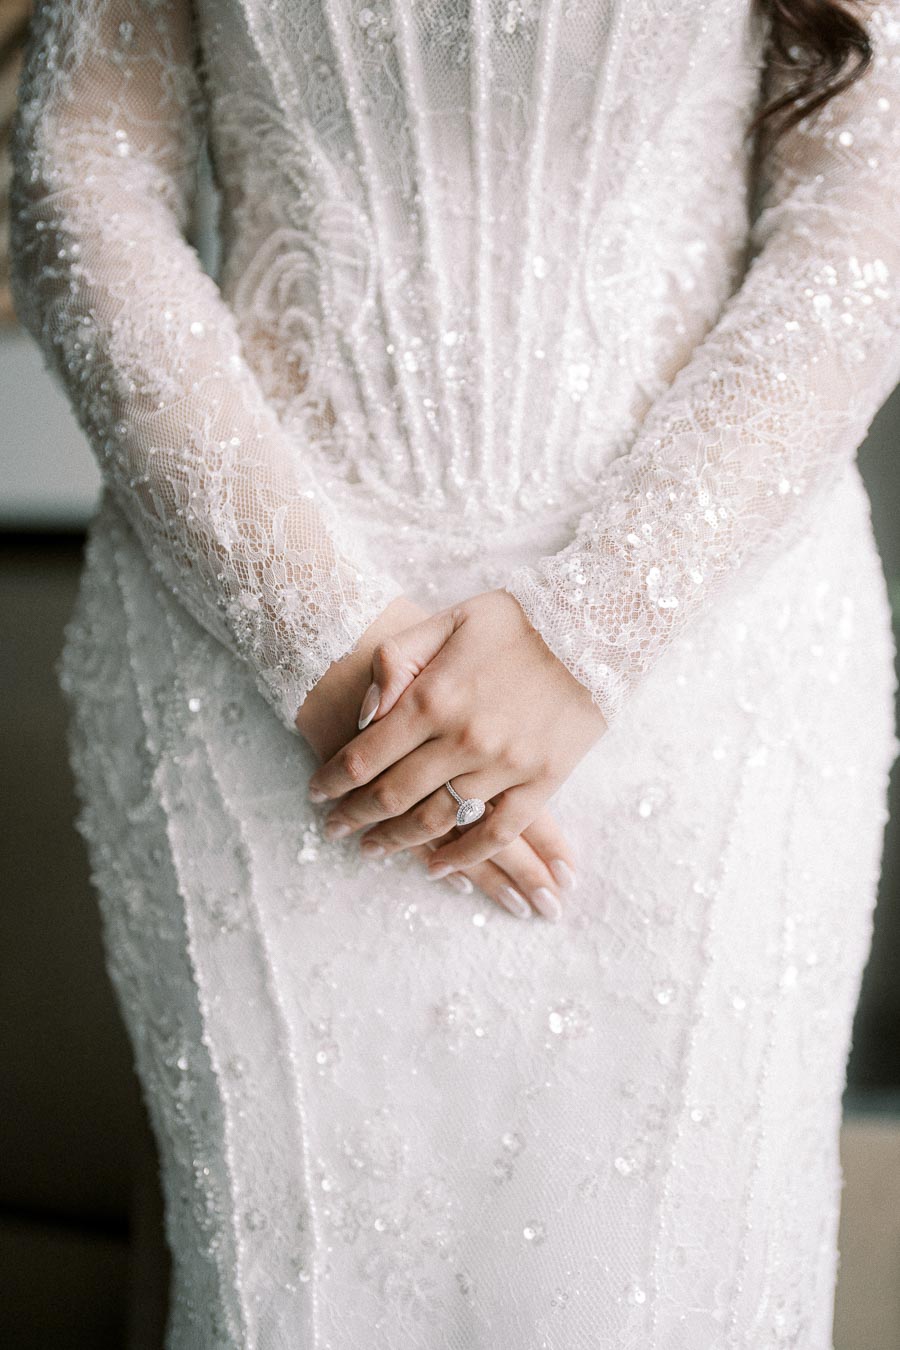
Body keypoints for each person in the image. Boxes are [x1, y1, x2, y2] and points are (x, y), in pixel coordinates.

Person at [9, 0, 900, 1344]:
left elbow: (870, 214)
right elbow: (81, 170)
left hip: (710, 653)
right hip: (261, 661)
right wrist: (322, 645)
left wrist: (587, 633)